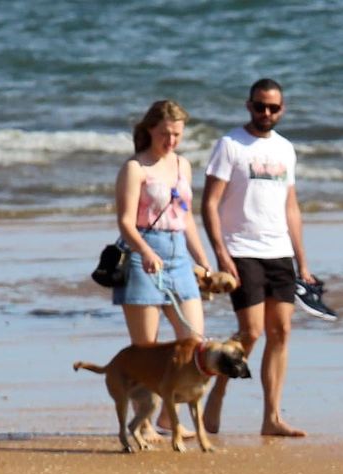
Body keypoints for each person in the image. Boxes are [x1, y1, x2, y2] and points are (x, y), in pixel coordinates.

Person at [200, 78, 314, 438]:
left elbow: (291, 207)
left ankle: (272, 417)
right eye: (260, 106)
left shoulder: (285, 149)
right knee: (250, 332)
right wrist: (221, 252)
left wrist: (302, 260)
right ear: (249, 106)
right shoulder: (230, 145)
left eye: (273, 107)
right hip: (241, 250)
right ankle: (217, 392)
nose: (266, 112)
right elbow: (209, 203)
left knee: (281, 331)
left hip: (279, 252)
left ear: (282, 109)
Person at [114, 99, 213, 442]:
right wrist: (145, 252)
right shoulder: (135, 168)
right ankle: (144, 422)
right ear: (149, 130)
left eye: (177, 135)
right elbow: (125, 222)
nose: (170, 141)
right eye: (164, 134)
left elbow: (186, 218)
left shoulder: (183, 165)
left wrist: (203, 260)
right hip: (143, 253)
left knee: (193, 342)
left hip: (179, 254)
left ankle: (171, 418)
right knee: (146, 350)